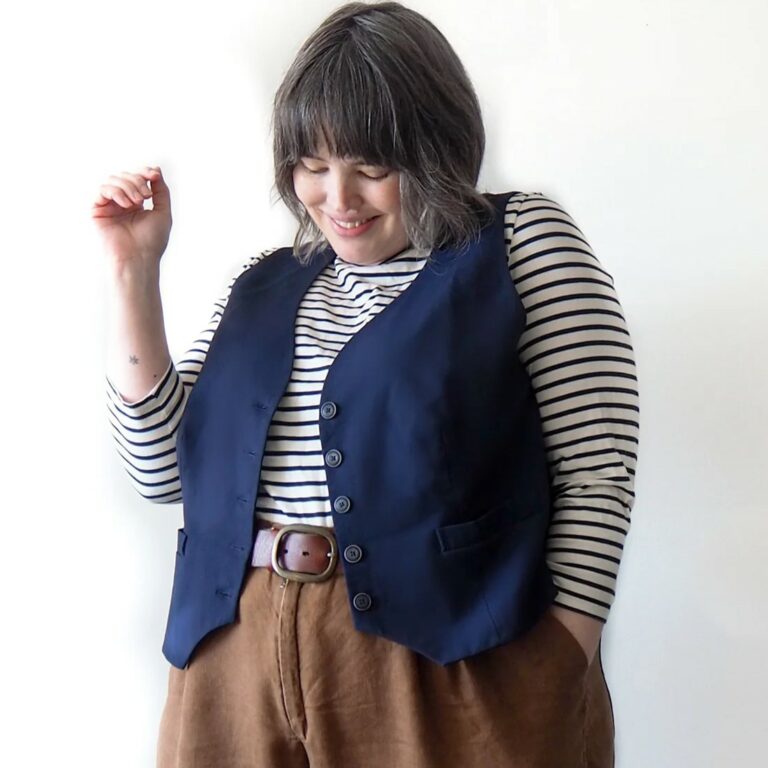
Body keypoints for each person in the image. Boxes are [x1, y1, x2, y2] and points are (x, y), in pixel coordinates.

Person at [93, 2, 638, 766]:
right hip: (232, 658)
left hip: (447, 661)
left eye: (371, 168)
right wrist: (134, 272)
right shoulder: (262, 285)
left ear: (437, 149)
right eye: (312, 166)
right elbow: (159, 473)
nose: (337, 199)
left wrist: (554, 663)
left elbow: (598, 470)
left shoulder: (517, 246)